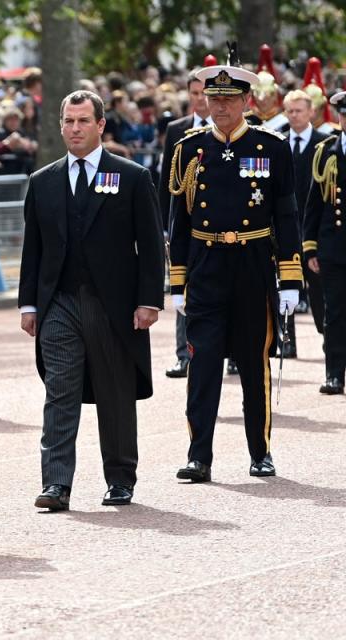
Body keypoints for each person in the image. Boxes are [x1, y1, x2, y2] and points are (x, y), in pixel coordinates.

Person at [19, 90, 164, 511]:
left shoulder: (132, 177)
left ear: (101, 125)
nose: (75, 129)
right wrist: (29, 305)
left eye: (84, 121)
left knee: (114, 392)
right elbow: (35, 249)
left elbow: (150, 245)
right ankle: (56, 484)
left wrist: (149, 300)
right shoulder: (42, 181)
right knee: (59, 393)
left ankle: (120, 479)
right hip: (59, 302)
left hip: (113, 305)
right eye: (69, 121)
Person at [168, 52, 302, 483]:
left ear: (247, 101)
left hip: (252, 264)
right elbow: (179, 221)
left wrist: (290, 277)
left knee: (252, 361)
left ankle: (259, 450)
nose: (219, 107)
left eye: (228, 99)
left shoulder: (270, 148)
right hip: (206, 266)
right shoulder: (189, 150)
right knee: (202, 363)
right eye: (213, 98)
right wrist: (176, 280)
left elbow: (285, 215)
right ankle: (198, 456)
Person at [159, 70, 212, 379]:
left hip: (219, 227)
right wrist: (166, 226)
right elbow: (169, 181)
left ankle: (230, 353)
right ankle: (184, 354)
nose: (200, 99)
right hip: (186, 227)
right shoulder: (176, 130)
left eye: (204, 93)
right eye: (194, 93)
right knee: (182, 286)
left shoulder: (228, 129)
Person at [303, 91, 346, 395]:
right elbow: (314, 204)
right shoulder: (326, 152)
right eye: (343, 114)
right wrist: (310, 246)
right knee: (334, 313)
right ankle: (334, 374)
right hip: (334, 247)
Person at [282, 89, 328, 358]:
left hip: (316, 229)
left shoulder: (325, 144)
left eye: (299, 110)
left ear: (311, 111)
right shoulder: (279, 143)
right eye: (289, 111)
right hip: (287, 226)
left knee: (319, 288)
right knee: (285, 284)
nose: (294, 115)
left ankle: (327, 335)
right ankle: (287, 341)